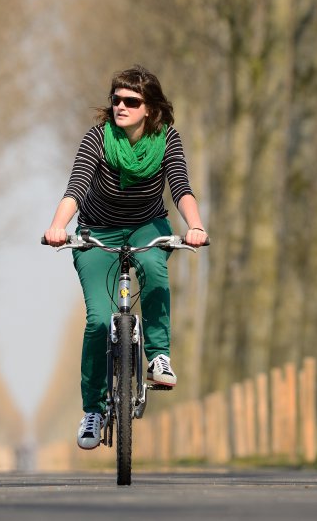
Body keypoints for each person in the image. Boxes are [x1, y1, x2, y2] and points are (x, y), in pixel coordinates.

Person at [43, 65, 207, 450]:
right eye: (116, 99)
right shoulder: (98, 139)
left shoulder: (167, 139)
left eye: (131, 101)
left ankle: (158, 357)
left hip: (147, 226)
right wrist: (57, 227)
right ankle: (93, 410)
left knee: (153, 268)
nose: (120, 106)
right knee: (99, 320)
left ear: (150, 108)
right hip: (97, 231)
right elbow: (76, 187)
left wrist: (196, 226)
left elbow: (180, 187)